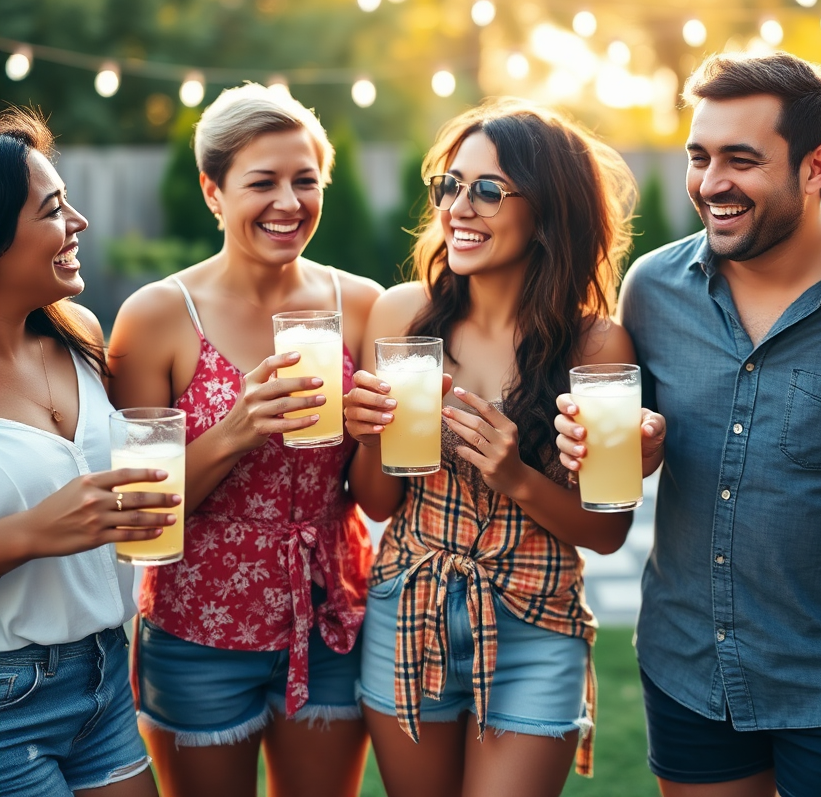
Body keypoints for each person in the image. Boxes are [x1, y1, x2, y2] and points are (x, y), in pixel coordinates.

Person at [558, 51, 821, 797]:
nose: (710, 183)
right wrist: (619, 451)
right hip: (690, 664)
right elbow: (629, 461)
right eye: (699, 157)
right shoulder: (652, 287)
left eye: (740, 160)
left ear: (816, 167)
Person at [343, 98, 643, 797]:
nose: (458, 208)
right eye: (451, 186)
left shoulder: (598, 346)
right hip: (408, 606)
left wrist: (517, 476)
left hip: (537, 616)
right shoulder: (401, 316)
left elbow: (609, 531)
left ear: (547, 212)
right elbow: (381, 501)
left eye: (487, 190)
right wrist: (367, 440)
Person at [106, 84, 382, 797]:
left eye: (305, 180)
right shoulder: (158, 317)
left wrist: (375, 432)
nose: (288, 203)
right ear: (212, 191)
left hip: (330, 616)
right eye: (262, 182)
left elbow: (375, 500)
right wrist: (235, 430)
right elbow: (139, 520)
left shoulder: (360, 304)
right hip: (198, 623)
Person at [0, 108, 180, 797]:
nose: (78, 221)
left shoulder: (79, 334)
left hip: (105, 674)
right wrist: (30, 533)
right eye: (53, 209)